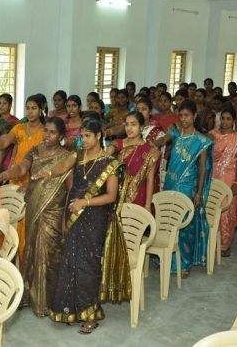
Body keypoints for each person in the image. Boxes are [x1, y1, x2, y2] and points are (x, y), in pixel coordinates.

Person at [33, 119, 119, 334]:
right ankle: (70, 309)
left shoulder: (110, 163)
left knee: (88, 265)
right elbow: (63, 166)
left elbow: (111, 196)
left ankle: (90, 314)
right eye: (82, 136)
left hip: (94, 218)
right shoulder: (78, 155)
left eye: (88, 136)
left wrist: (85, 202)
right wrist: (49, 173)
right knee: (70, 260)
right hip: (74, 213)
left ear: (99, 136)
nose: (84, 140)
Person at [0, 117, 72, 317]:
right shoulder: (35, 151)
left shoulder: (67, 157)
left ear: (61, 136)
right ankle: (29, 295)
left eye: (52, 132)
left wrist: (65, 217)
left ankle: (50, 300)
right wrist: (3, 175)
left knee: (50, 254)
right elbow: (21, 168)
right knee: (32, 249)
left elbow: (70, 189)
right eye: (46, 131)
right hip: (33, 206)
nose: (47, 136)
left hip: (54, 211)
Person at [100, 112, 159, 305]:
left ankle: (126, 282)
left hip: (137, 198)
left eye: (133, 124)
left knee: (130, 242)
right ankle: (110, 281)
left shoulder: (150, 150)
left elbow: (150, 179)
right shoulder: (117, 146)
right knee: (111, 239)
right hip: (114, 198)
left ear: (142, 126)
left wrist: (148, 205)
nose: (129, 128)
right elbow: (103, 161)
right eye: (126, 124)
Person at [155, 100, 213, 277]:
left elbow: (203, 168)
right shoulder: (175, 133)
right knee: (167, 220)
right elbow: (162, 140)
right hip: (171, 184)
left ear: (194, 116)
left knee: (185, 225)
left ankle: (184, 264)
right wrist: (159, 140)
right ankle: (166, 258)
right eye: (181, 115)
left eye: (187, 115)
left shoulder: (202, 140)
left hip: (188, 186)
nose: (184, 119)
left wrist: (198, 192)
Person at [209, 107, 237, 256]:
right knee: (211, 207)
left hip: (230, 177)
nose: (225, 122)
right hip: (213, 175)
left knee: (226, 211)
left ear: (233, 121)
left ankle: (225, 244)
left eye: (228, 119)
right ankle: (210, 239)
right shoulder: (212, 135)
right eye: (223, 118)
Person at [0, 95, 45, 187]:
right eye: (27, 108)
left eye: (34, 108)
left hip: (35, 174)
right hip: (16, 172)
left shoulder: (44, 132)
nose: (30, 111)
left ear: (40, 110)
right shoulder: (19, 128)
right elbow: (5, 141)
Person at [0, 93, 20, 171]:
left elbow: (17, 142)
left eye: (4, 103)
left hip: (9, 155)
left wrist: (13, 160)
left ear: (10, 106)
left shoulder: (15, 121)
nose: (1, 106)